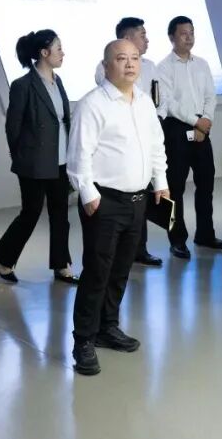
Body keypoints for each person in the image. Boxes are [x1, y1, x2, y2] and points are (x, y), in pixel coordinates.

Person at [68, 39, 169, 376]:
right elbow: (79, 154)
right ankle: (83, 340)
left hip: (138, 200)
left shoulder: (144, 101)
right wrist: (88, 193)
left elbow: (156, 145)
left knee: (121, 269)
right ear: (106, 65)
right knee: (97, 272)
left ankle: (107, 327)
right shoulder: (93, 104)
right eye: (121, 58)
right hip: (104, 201)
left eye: (135, 58)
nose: (129, 64)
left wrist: (160, 181)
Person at [0, 30, 78, 285]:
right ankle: (2, 258)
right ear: (44, 53)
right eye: (58, 48)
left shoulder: (58, 81)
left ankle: (62, 265)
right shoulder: (23, 85)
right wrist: (22, 157)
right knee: (31, 213)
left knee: (60, 214)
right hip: (33, 162)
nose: (63, 53)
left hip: (60, 159)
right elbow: (13, 127)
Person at [95, 17, 167, 267]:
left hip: (146, 136)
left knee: (142, 196)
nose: (146, 40)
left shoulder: (151, 67)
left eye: (135, 59)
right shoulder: (104, 71)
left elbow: (159, 98)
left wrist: (156, 119)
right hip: (120, 147)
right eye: (142, 35)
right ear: (126, 38)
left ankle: (140, 249)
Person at [156, 15, 222, 258]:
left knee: (206, 185)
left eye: (192, 33)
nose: (189, 37)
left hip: (202, 129)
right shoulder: (163, 68)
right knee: (175, 190)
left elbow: (211, 96)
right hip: (176, 131)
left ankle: (205, 234)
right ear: (171, 37)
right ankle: (177, 240)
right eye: (183, 33)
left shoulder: (203, 64)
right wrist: (196, 122)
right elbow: (168, 103)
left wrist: (204, 121)